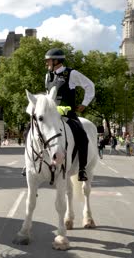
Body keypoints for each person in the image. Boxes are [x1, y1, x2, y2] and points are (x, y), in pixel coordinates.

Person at [44, 48, 95, 181]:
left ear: (56, 61)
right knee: (31, 129)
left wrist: (84, 103)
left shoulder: (72, 74)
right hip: (51, 115)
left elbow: (90, 85)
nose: (46, 64)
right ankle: (31, 163)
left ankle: (82, 169)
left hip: (68, 114)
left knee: (82, 136)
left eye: (48, 61)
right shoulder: (47, 76)